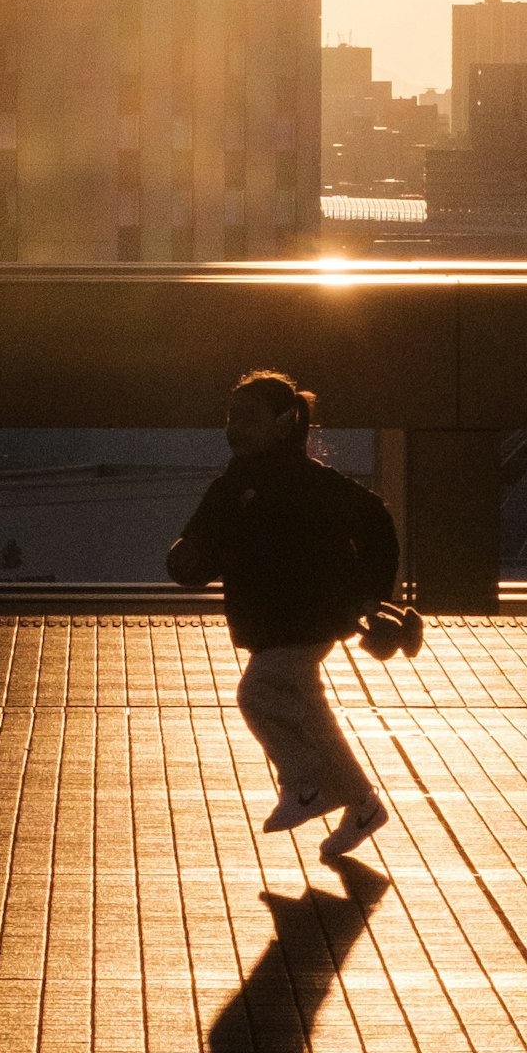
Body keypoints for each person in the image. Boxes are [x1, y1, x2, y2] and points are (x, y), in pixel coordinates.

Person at [166, 368, 399, 865]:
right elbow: (200, 549)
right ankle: (361, 804)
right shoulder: (231, 488)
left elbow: (376, 519)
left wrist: (370, 596)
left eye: (248, 417)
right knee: (310, 712)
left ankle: (304, 784)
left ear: (283, 424)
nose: (235, 427)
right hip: (267, 621)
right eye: (232, 416)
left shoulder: (311, 485)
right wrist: (187, 561)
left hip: (312, 615)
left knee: (258, 692)